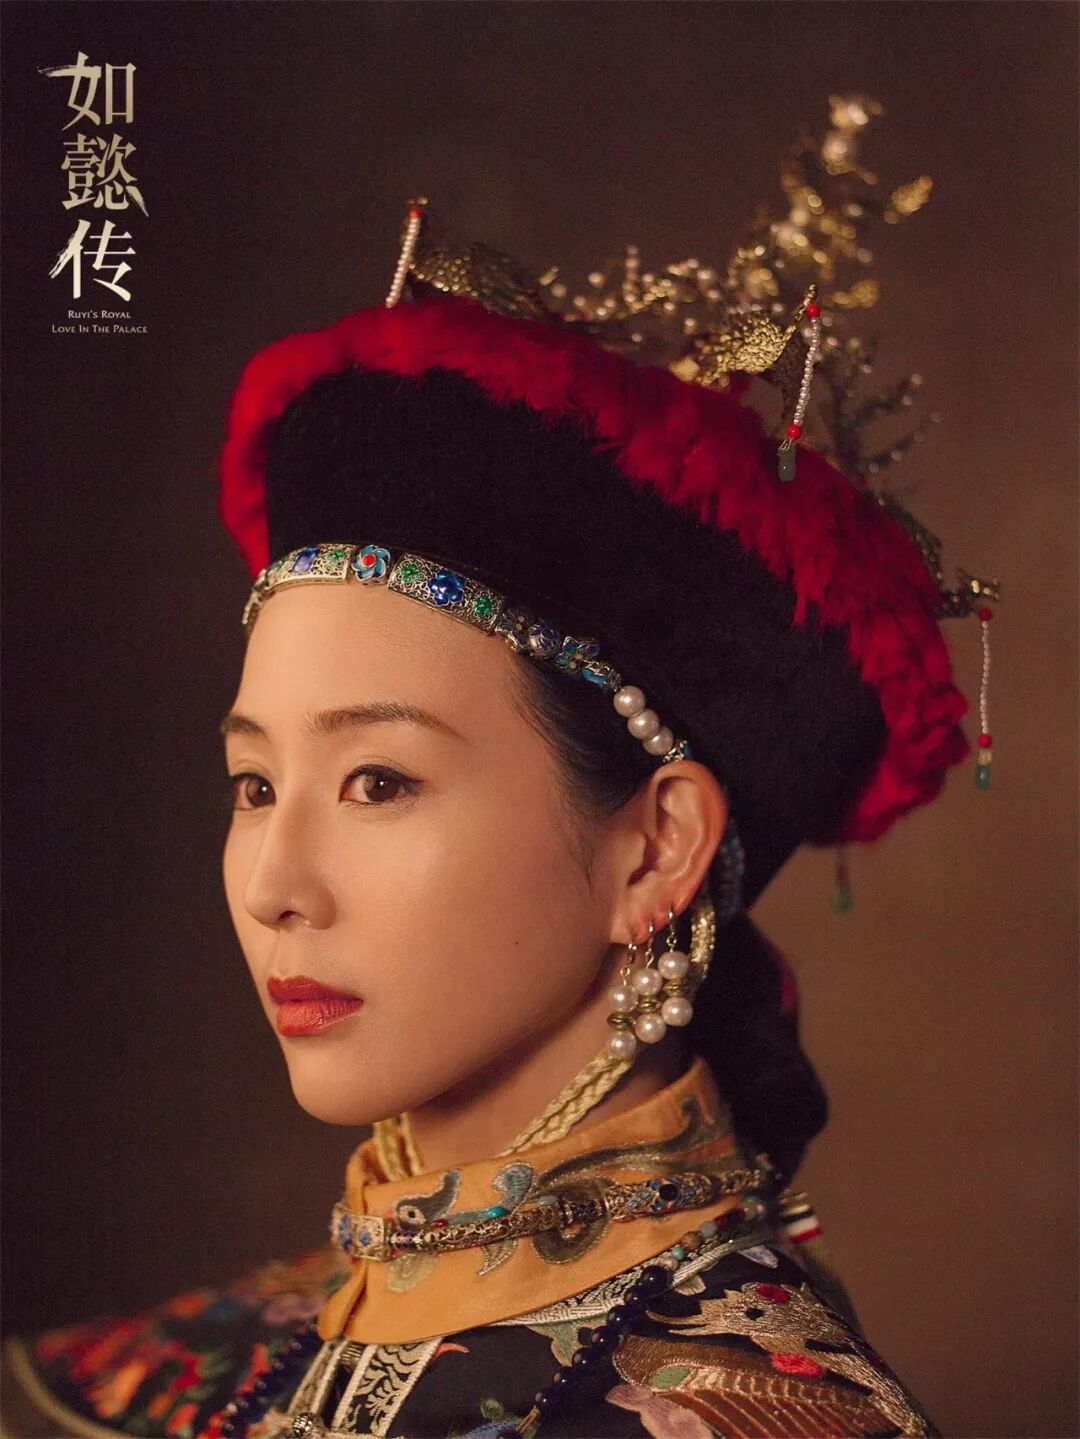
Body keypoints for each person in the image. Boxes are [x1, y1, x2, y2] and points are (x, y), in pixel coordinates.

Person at [1, 104, 1000, 1439]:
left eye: (378, 782)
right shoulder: (185, 1373)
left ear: (654, 846)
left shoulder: (759, 1409)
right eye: (255, 786)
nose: (275, 886)